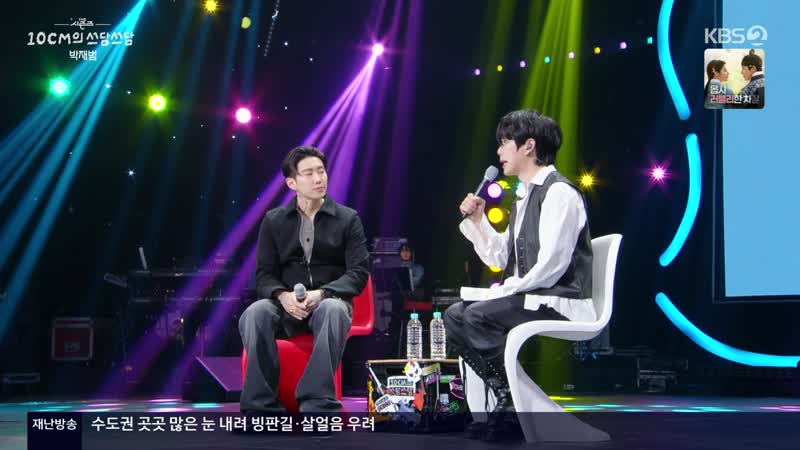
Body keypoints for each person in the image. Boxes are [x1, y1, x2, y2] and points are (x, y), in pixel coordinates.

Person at [444, 109, 595, 440]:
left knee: (479, 316)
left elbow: (552, 264)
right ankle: (505, 395)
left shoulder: (559, 193)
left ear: (529, 146)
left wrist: (506, 290)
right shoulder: (524, 196)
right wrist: (479, 221)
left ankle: (510, 405)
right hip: (532, 294)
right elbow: (501, 256)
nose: (499, 151)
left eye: (504, 142)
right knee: (455, 315)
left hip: (560, 298)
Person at [239, 146, 370, 413]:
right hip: (286, 305)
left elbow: (358, 273)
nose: (318, 179)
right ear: (292, 183)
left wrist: (322, 293)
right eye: (309, 173)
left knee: (333, 310)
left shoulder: (347, 219)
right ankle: (260, 408)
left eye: (321, 171)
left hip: (328, 302)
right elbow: (263, 275)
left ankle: (317, 404)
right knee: (255, 313)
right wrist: (282, 296)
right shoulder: (274, 221)